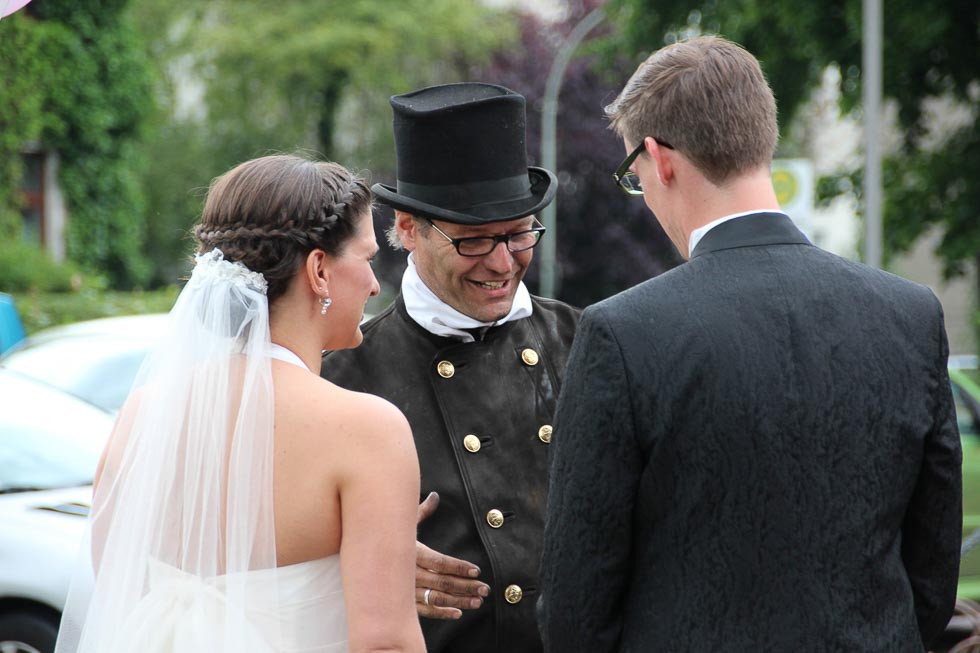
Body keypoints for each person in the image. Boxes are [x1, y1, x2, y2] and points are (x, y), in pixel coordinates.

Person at [539, 35, 962, 652]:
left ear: (658, 159)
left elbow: (577, 607)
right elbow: (932, 569)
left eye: (634, 177)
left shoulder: (622, 335)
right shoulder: (910, 314)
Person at [55, 155, 425, 653]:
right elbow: (386, 644)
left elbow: (117, 596)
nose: (376, 284)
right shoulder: (367, 431)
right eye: (368, 259)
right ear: (319, 270)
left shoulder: (141, 417)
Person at [322, 82, 580, 653]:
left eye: (518, 235)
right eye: (473, 241)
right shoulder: (340, 376)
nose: (501, 262)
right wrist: (352, 562)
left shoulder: (586, 343)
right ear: (407, 229)